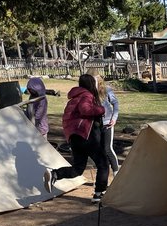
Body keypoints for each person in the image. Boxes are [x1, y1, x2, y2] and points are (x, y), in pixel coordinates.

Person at [43, 74, 109, 203]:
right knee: (103, 164)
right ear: (91, 84)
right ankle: (99, 193)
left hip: (74, 137)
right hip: (86, 135)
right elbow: (85, 109)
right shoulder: (87, 95)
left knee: (78, 169)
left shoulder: (74, 98)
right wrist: (101, 109)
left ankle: (55, 174)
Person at [95, 72, 120, 174]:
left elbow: (115, 103)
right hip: (95, 124)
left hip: (107, 123)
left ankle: (116, 172)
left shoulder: (107, 90)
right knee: (99, 150)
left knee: (107, 148)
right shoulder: (89, 92)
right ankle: (103, 173)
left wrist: (114, 118)